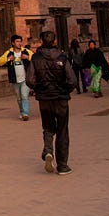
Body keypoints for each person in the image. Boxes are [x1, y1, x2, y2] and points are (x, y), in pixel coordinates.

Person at [26, 30, 78, 175]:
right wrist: (64, 90)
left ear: (41, 41)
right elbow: (72, 80)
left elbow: (30, 80)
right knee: (62, 131)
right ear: (54, 41)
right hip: (61, 99)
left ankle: (48, 150)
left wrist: (39, 88)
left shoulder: (36, 58)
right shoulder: (62, 57)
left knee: (48, 127)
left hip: (44, 99)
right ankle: (62, 165)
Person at [0, 34, 33, 120]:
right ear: (13, 43)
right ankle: (21, 111)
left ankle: (25, 114)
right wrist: (8, 59)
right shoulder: (9, 52)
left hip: (25, 78)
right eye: (17, 41)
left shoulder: (26, 51)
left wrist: (27, 57)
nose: (19, 43)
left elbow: (35, 58)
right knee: (19, 97)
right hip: (15, 79)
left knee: (24, 95)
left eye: (20, 41)